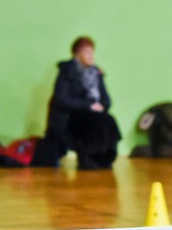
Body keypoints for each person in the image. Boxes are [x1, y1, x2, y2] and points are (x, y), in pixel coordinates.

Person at [46, 36, 121, 170]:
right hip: (71, 116)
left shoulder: (96, 73)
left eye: (92, 52)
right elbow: (62, 98)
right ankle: (87, 157)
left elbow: (106, 99)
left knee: (109, 121)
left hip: (93, 114)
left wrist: (102, 106)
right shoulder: (67, 71)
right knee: (94, 123)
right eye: (87, 52)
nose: (91, 56)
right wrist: (89, 106)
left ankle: (104, 158)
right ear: (77, 55)